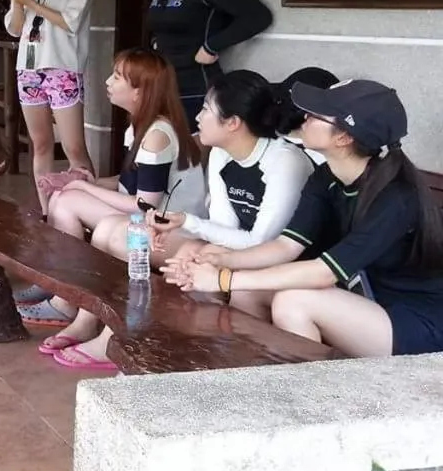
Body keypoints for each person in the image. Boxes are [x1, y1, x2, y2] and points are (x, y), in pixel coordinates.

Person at [44, 70, 313, 367]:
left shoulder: (284, 162)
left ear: (233, 123)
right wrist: (196, 237)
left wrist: (189, 226)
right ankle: (99, 325)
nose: (197, 117)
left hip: (274, 259)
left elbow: (263, 242)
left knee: (189, 263)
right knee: (115, 231)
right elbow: (224, 227)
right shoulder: (223, 154)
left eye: (206, 109)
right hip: (231, 246)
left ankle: (149, 345)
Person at [164, 79, 443, 358]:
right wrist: (215, 261)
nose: (304, 117)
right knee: (249, 292)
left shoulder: (395, 197)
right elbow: (287, 246)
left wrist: (223, 279)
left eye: (316, 114)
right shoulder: (326, 176)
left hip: (415, 321)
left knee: (294, 302)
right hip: (364, 301)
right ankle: (249, 373)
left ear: (343, 137)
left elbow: (323, 273)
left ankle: (313, 398)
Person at [18, 49, 207, 338]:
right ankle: (60, 283)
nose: (107, 81)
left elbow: (144, 205)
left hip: (172, 234)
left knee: (68, 200)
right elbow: (131, 183)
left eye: (117, 77)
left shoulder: (157, 135)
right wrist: (80, 178)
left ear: (140, 92)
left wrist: (83, 186)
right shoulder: (141, 126)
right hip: (153, 220)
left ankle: (65, 300)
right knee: (63, 196)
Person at [5, 0, 97, 212]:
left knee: (73, 147)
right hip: (29, 68)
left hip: (63, 68)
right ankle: (47, 211)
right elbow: (15, 29)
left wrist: (29, 2)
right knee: (41, 144)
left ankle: (92, 210)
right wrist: (18, 3)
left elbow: (68, 22)